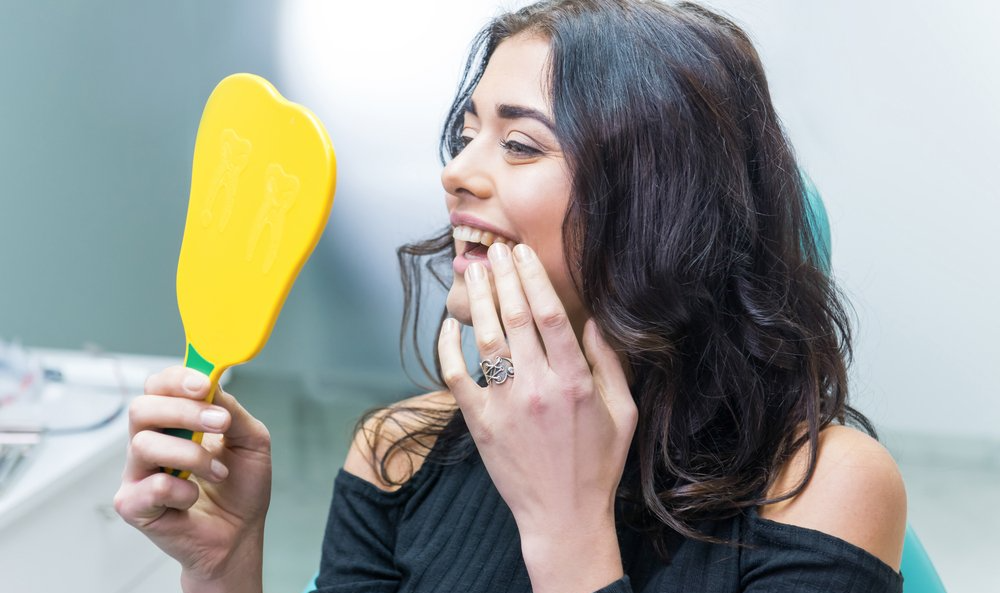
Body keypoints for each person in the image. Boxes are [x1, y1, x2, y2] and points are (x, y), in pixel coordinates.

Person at [115, 1, 907, 591]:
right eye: (467, 132)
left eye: (521, 142)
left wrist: (566, 527)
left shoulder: (819, 487)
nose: (455, 170)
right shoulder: (401, 451)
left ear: (662, 205)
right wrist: (224, 564)